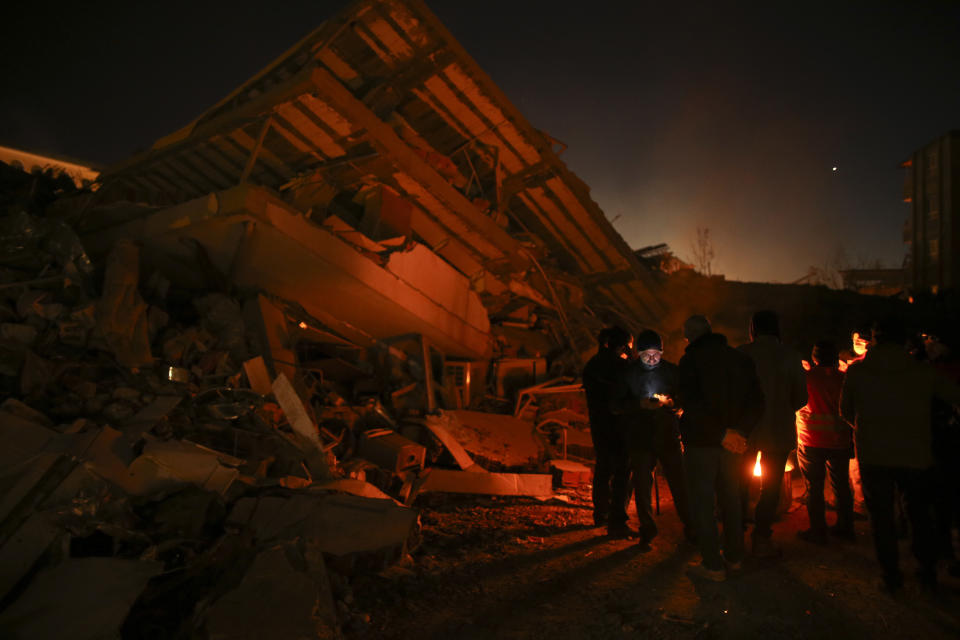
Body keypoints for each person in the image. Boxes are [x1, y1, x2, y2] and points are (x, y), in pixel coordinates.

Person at [840, 317, 960, 594]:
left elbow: (845, 411)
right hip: (914, 454)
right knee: (919, 515)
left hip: (873, 454)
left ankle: (890, 576)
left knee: (881, 519)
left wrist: (866, 429)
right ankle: (926, 574)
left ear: (875, 339)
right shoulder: (921, 371)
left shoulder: (857, 372)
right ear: (903, 341)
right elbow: (954, 395)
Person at [677, 315, 764, 581]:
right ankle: (735, 557)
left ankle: (713, 565)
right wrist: (740, 433)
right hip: (734, 447)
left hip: (703, 445)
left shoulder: (690, 361)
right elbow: (758, 401)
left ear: (689, 337)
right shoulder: (740, 359)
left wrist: (721, 433)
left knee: (703, 503)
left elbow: (691, 405)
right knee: (732, 500)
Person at [610, 329, 694, 550]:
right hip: (640, 437)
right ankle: (647, 529)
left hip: (667, 435)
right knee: (642, 486)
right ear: (639, 353)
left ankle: (692, 528)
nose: (652, 358)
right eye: (647, 354)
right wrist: (639, 405)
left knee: (680, 483)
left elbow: (684, 398)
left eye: (656, 354)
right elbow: (615, 404)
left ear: (662, 352)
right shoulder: (628, 374)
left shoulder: (672, 372)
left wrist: (671, 404)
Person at [738, 310, 808, 557]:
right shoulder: (789, 356)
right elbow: (801, 398)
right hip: (778, 431)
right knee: (770, 488)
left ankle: (735, 538)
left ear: (753, 329)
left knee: (739, 483)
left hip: (745, 432)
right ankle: (761, 539)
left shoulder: (741, 354)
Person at [795, 340, 855, 545]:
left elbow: (794, 403)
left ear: (814, 358)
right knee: (841, 486)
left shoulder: (805, 378)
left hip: (810, 439)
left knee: (814, 487)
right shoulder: (844, 378)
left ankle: (818, 531)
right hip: (839, 439)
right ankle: (846, 527)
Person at [583, 326, 634, 537]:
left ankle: (600, 513)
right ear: (623, 346)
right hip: (620, 426)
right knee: (623, 471)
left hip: (599, 425)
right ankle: (617, 520)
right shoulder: (623, 367)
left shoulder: (592, 365)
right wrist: (632, 358)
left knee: (603, 467)